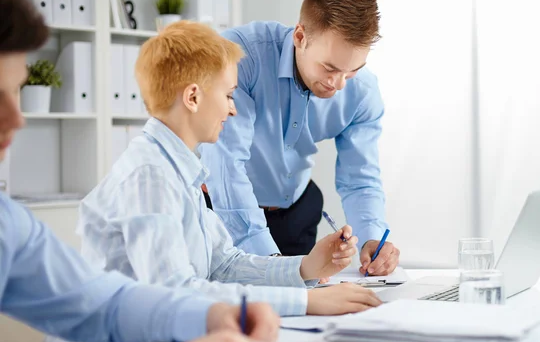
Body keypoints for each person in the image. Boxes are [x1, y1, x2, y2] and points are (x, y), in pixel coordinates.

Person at [0, 0, 278, 342]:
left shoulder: (7, 221)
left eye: (15, 92)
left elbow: (101, 304)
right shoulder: (149, 172)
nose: (19, 118)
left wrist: (214, 315)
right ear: (193, 96)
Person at [78, 20, 382, 317]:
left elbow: (224, 264)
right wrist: (306, 302)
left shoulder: (180, 171)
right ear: (193, 97)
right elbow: (175, 293)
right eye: (228, 95)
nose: (233, 109)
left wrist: (306, 267)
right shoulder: (149, 177)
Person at [200, 0, 400, 277]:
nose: (339, 84)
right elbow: (227, 168)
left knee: (299, 316)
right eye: (330, 68)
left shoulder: (363, 92)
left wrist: (372, 237)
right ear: (300, 37)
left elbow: (360, 178)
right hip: (224, 211)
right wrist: (269, 264)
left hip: (297, 212)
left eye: (353, 70)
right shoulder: (239, 57)